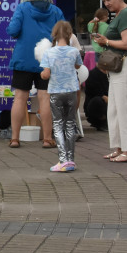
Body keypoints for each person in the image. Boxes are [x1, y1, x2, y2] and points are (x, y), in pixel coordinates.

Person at [6, 0, 64, 149]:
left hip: (24, 59)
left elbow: (12, 31)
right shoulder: (56, 11)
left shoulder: (22, 8)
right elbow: (64, 36)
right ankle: (47, 139)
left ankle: (15, 139)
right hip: (47, 60)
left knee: (20, 98)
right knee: (45, 98)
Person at [90, 0, 127, 163]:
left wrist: (106, 42)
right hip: (119, 65)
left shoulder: (126, 14)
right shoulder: (120, 13)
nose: (106, 4)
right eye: (104, 1)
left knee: (124, 107)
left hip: (126, 63)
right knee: (115, 108)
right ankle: (119, 148)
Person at [40, 21, 82, 172]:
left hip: (56, 91)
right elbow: (78, 66)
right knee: (70, 124)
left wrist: (43, 73)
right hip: (72, 90)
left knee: (57, 124)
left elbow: (46, 74)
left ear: (54, 35)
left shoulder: (49, 53)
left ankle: (62, 159)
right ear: (70, 34)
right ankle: (71, 159)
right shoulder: (74, 52)